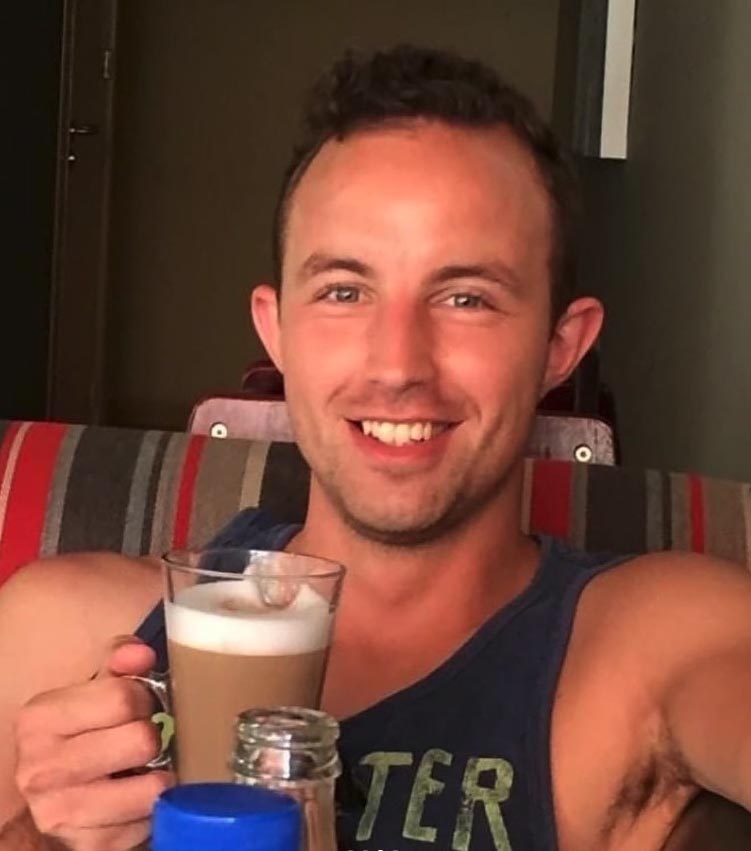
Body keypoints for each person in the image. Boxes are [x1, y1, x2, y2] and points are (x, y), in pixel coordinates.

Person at [1, 44, 750, 851]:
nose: (398, 364)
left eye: (466, 297)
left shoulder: (656, 639)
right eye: (344, 291)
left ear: (560, 348)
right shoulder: (66, 631)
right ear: (275, 328)